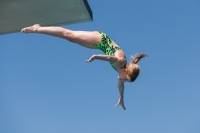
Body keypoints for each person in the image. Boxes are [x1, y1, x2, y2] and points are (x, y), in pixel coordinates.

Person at [21, 24, 147, 110]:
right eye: (126, 79)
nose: (123, 80)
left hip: (99, 46)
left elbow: (120, 86)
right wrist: (96, 57)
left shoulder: (121, 72)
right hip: (100, 39)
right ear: (126, 71)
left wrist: (121, 98)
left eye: (125, 81)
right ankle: (37, 28)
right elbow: (110, 58)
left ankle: (39, 29)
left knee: (71, 39)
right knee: (68, 34)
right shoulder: (120, 62)